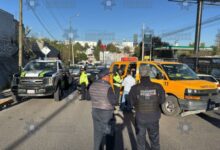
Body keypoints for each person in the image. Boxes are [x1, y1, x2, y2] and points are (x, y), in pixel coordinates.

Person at [129, 65, 165, 150]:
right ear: (149, 73)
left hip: (140, 118)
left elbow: (131, 103)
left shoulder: (134, 88)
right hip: (153, 118)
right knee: (155, 142)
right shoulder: (158, 86)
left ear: (140, 74)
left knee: (140, 143)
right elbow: (162, 101)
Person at [89, 69, 117, 150]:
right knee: (109, 134)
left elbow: (90, 96)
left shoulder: (92, 85)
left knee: (97, 134)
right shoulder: (108, 87)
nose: (109, 77)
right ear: (104, 77)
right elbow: (114, 101)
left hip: (95, 111)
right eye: (108, 75)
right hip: (106, 113)